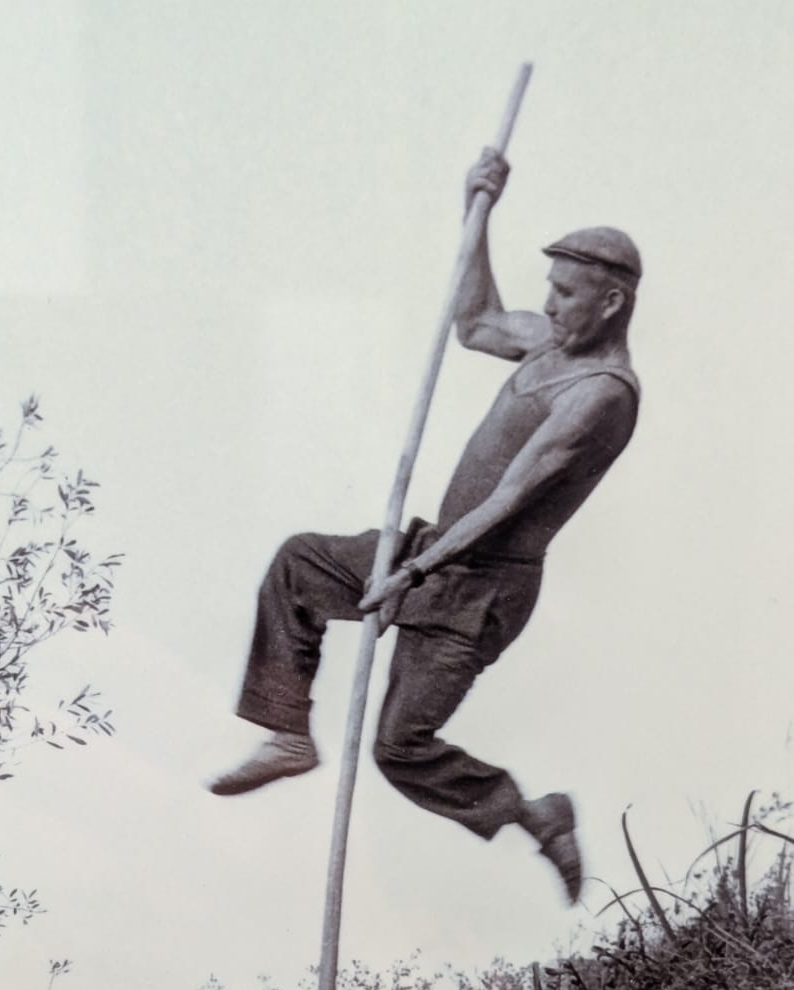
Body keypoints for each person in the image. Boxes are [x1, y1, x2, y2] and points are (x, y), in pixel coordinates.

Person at [206, 148, 642, 903]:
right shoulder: (547, 342)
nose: (550, 303)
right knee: (300, 565)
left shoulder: (601, 392)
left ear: (609, 303)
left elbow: (509, 497)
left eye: (566, 293)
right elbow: (472, 323)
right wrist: (478, 212)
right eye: (550, 286)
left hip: (481, 588)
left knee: (399, 748)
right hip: (435, 547)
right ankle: (286, 731)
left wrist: (410, 573)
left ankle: (534, 815)